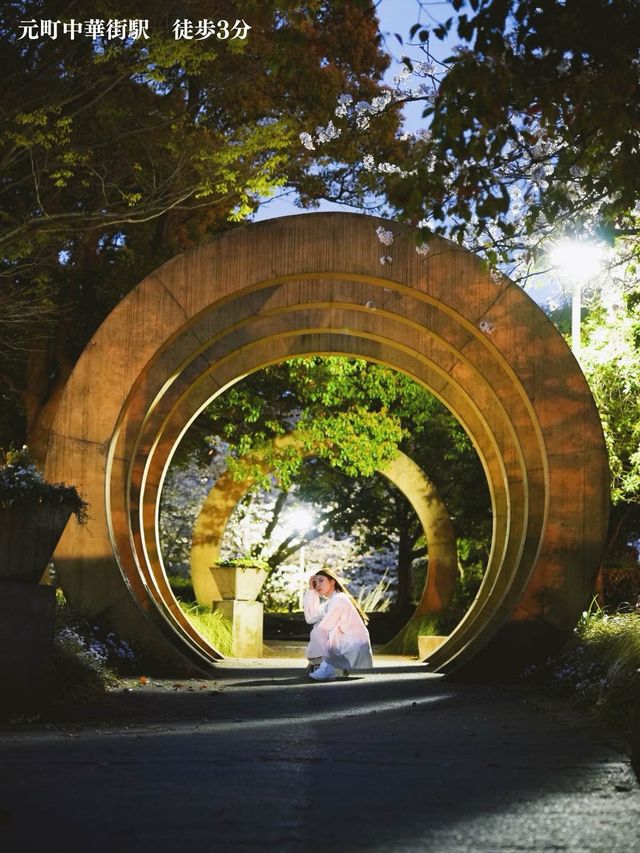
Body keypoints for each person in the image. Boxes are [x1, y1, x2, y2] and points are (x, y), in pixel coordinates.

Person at [303, 568, 373, 681]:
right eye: (315, 582)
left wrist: (315, 658)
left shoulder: (339, 599)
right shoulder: (331, 601)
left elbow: (324, 628)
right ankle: (332, 667)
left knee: (318, 630)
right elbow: (310, 618)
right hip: (348, 641)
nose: (317, 585)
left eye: (321, 580)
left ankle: (328, 667)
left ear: (332, 581)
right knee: (319, 627)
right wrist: (311, 591)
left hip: (351, 642)